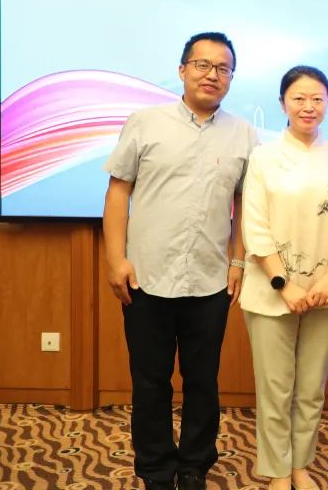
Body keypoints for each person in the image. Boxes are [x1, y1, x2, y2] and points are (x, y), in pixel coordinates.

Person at [103, 31, 258, 490]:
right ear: (182, 70)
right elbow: (118, 191)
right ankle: (155, 468)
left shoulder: (244, 134)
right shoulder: (145, 122)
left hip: (210, 280)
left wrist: (238, 261)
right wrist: (115, 259)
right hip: (146, 275)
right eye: (202, 65)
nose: (212, 75)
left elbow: (246, 204)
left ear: (231, 77)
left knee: (202, 382)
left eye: (223, 68)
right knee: (150, 381)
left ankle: (193, 466)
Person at [239, 66, 328, 490]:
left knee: (310, 387)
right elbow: (255, 226)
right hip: (271, 290)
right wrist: (283, 284)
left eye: (317, 99)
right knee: (275, 388)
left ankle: (300, 465)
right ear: (283, 103)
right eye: (299, 98)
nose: (309, 106)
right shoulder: (264, 157)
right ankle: (276, 469)